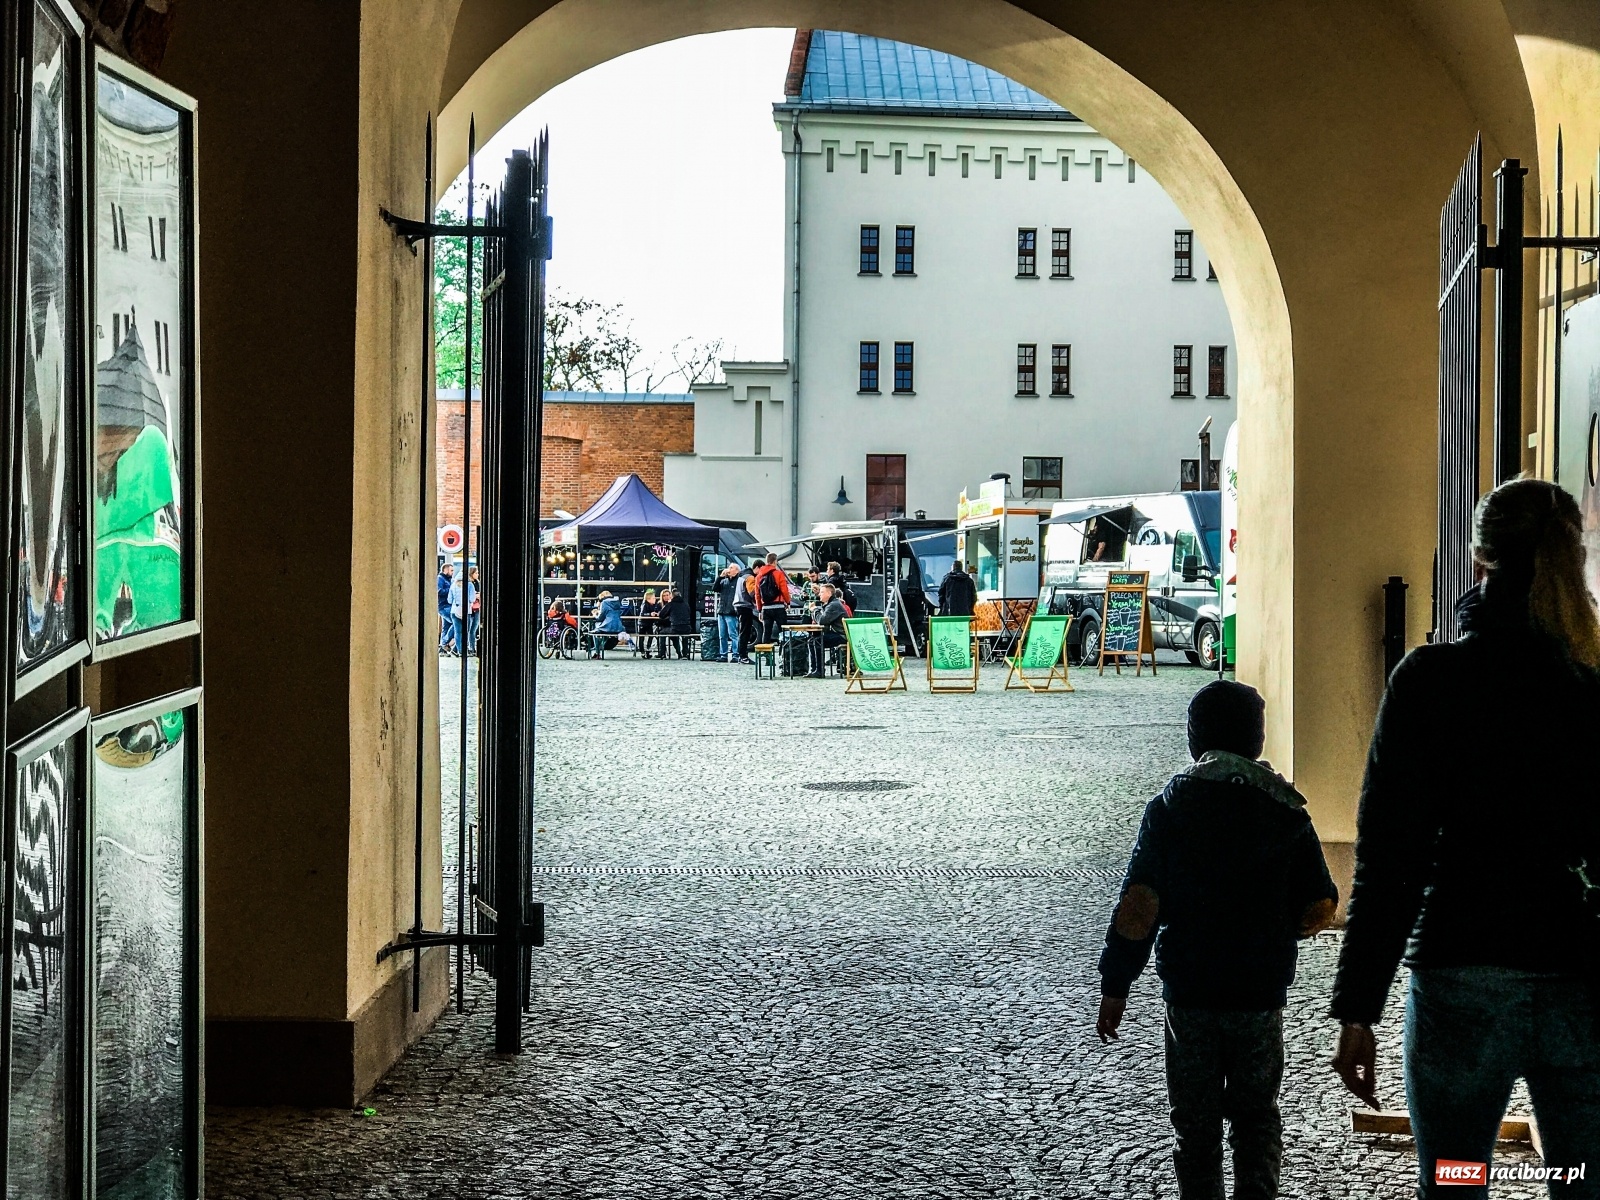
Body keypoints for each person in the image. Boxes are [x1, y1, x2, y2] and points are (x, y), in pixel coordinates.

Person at [1329, 478, 1600, 1197]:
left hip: (1462, 979)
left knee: (1455, 1180)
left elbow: (1391, 856)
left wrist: (1359, 1007)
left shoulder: (1431, 682)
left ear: (1478, 561)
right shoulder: (1592, 684)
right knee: (1584, 1181)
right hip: (1583, 980)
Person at [1098, 679, 1338, 1200]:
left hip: (1192, 993)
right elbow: (1321, 902)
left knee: (1195, 1127)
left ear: (1195, 738)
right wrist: (1284, 929)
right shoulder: (1285, 810)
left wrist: (1115, 985)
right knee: (1256, 1119)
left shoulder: (1169, 809)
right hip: (1258, 995)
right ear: (1257, 739)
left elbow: (1139, 907)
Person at [807, 582, 850, 677]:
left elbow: (822, 621)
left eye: (822, 592)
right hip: (836, 632)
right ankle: (814, 669)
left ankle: (819, 671)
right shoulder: (830, 604)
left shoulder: (833, 605)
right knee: (811, 640)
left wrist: (814, 610)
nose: (819, 594)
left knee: (818, 641)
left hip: (843, 635)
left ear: (829, 594)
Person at [755, 552, 791, 645]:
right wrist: (788, 602)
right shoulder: (778, 574)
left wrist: (759, 610)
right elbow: (784, 590)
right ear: (775, 561)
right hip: (778, 606)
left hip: (766, 608)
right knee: (783, 631)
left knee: (766, 632)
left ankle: (766, 656)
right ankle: (785, 655)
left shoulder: (759, 576)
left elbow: (757, 594)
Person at [588, 590, 634, 657]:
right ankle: (601, 647)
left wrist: (595, 614)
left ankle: (597, 652)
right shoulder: (617, 602)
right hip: (619, 627)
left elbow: (600, 618)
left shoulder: (604, 603)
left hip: (607, 627)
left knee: (595, 630)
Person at [714, 562, 743, 664]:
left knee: (733, 634)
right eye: (729, 567)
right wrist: (720, 577)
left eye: (731, 568)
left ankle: (735, 654)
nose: (729, 569)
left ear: (737, 571)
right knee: (722, 635)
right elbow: (715, 589)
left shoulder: (739, 581)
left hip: (731, 611)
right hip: (721, 610)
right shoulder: (724, 581)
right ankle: (723, 654)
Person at [658, 587, 695, 658]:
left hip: (675, 628)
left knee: (662, 632)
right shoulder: (686, 604)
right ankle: (685, 653)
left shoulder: (671, 604)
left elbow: (661, 615)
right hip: (687, 628)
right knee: (685, 635)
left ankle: (662, 653)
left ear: (672, 596)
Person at [448, 566, 476, 659]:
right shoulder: (470, 585)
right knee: (465, 631)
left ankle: (459, 651)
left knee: (457, 632)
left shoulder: (453, 585)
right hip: (466, 611)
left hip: (454, 610)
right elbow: (472, 598)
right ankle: (463, 650)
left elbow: (449, 600)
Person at [734, 562, 759, 665]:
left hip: (738, 605)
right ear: (757, 568)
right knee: (745, 632)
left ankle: (741, 655)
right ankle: (743, 656)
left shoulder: (742, 576)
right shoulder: (750, 577)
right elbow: (752, 592)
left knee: (742, 631)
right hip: (745, 605)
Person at [437, 562, 457, 654]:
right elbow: (439, 591)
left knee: (446, 627)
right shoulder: (440, 579)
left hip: (447, 606)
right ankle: (444, 643)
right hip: (444, 606)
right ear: (445, 570)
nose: (453, 572)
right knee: (456, 622)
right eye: (451, 570)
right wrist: (450, 590)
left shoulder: (449, 580)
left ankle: (442, 649)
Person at [637, 588, 663, 658]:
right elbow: (642, 614)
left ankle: (648, 649)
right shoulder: (644, 605)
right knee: (641, 637)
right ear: (648, 599)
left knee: (650, 636)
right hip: (642, 623)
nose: (655, 599)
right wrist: (650, 614)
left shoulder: (654, 605)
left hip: (649, 623)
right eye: (653, 598)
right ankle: (642, 651)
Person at [466, 566, 481, 655]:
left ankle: (472, 647)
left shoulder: (477, 583)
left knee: (473, 629)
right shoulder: (468, 583)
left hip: (476, 608)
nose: (478, 574)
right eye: (476, 573)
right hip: (470, 608)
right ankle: (469, 647)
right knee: (469, 628)